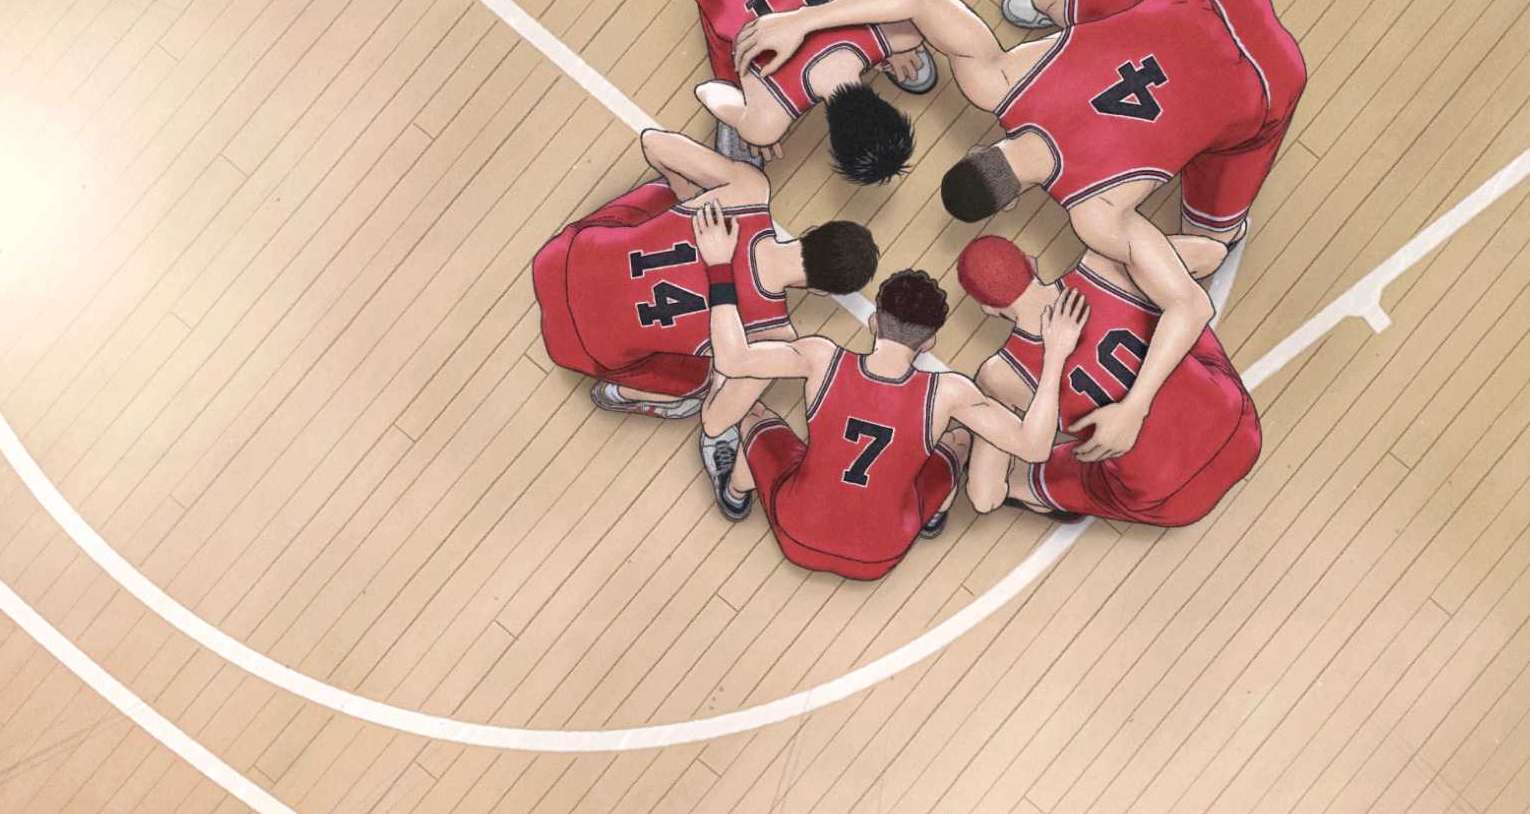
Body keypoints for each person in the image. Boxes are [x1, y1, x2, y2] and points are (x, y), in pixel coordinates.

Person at [732, 0, 1303, 459]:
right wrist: (804, 19)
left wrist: (1135, 407)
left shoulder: (1099, 214)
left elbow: (1191, 303)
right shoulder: (999, 80)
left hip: (1269, 83)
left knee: (1215, 238)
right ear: (983, 154)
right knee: (1068, 3)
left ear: (1008, 204)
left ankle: (1220, 225)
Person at [692, 203, 1088, 580]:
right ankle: (933, 516)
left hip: (796, 533)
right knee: (960, 442)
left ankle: (734, 494)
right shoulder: (948, 392)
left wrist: (718, 265)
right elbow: (1034, 447)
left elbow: (732, 358)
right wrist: (1054, 355)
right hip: (878, 555)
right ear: (929, 342)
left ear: (874, 323)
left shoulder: (821, 358)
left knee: (754, 415)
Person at [531, 127, 880, 472]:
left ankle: (692, 196)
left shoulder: (750, 190)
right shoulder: (774, 337)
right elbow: (714, 423)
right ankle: (629, 395)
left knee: (668, 198)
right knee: (705, 379)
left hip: (556, 260)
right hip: (573, 347)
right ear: (820, 290)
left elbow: (653, 141)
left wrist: (690, 197)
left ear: (810, 231)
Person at [955, 234, 1261, 526]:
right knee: (1173, 311)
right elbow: (1212, 254)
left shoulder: (999, 375)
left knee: (1021, 471)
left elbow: (985, 497)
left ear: (989, 309)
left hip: (1174, 500)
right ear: (1030, 262)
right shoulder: (1105, 264)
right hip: (1242, 430)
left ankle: (1042, 495)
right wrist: (1140, 271)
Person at [690, 0, 935, 183]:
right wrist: (749, 124)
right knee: (735, 64)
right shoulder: (767, 123)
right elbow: (708, 91)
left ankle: (885, 50)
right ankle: (743, 101)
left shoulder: (903, 33)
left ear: (886, 107)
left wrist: (893, 44)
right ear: (834, 139)